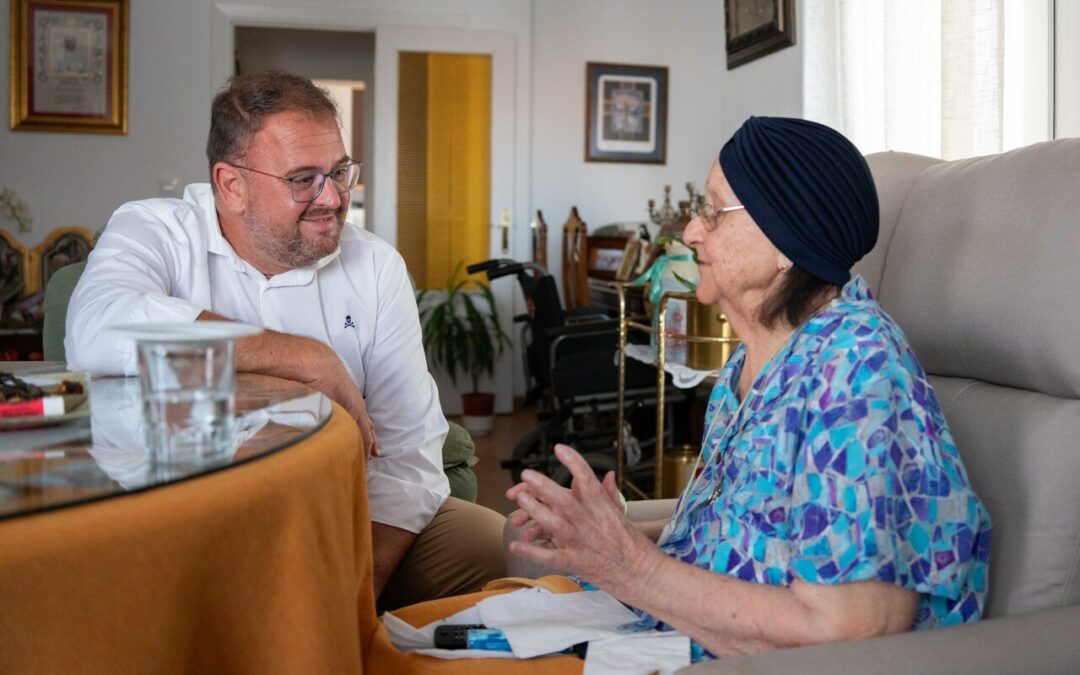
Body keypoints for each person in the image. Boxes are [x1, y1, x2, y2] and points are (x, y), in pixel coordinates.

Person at [506, 116, 993, 660]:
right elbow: (732, 541)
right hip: (665, 638)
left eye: (714, 212)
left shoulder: (856, 369)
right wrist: (595, 541)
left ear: (787, 241)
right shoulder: (750, 362)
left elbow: (852, 630)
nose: (690, 231)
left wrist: (629, 564)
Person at [65, 70, 505, 610]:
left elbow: (408, 452)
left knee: (501, 555)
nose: (333, 198)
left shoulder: (376, 266)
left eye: (340, 171)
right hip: (178, 517)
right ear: (232, 185)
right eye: (303, 179)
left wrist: (354, 592)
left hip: (346, 515)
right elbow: (97, 327)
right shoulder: (155, 231)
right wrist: (303, 358)